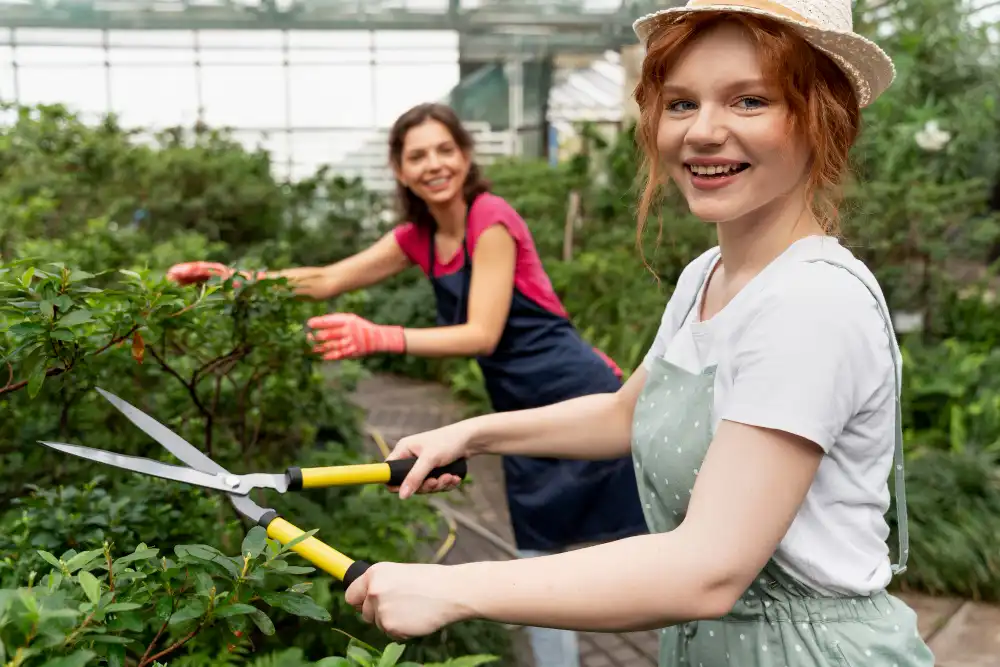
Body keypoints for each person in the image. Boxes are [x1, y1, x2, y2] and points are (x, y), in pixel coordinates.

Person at [339, 2, 939, 666]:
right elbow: (625, 413)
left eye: (748, 100)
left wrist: (453, 586)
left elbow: (707, 567)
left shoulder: (811, 303)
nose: (702, 132)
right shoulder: (706, 276)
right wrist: (474, 433)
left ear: (825, 117)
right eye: (680, 103)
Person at [166, 102, 648, 667]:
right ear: (399, 169)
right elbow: (327, 279)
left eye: (445, 150)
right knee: (535, 568)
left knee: (642, 552)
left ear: (466, 157)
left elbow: (482, 334)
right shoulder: (417, 237)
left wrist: (380, 337)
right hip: (516, 419)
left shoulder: (489, 218)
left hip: (577, 396)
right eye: (417, 155)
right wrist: (237, 281)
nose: (434, 164)